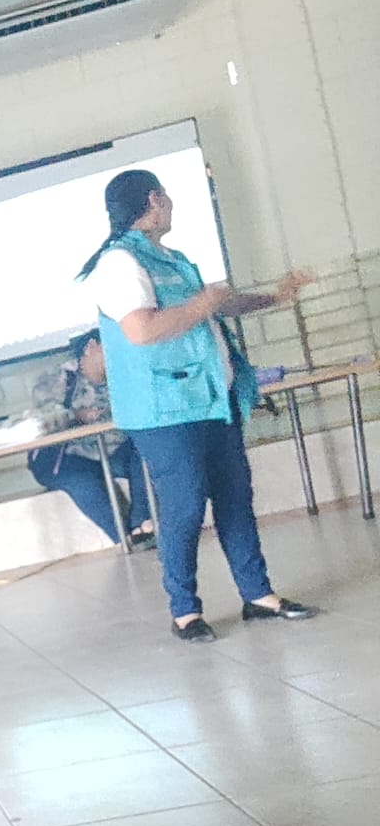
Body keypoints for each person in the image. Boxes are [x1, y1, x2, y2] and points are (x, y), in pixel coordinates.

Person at [78, 169, 319, 642]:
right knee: (185, 507)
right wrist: (205, 302)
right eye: (166, 196)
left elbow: (218, 306)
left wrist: (275, 297)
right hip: (165, 411)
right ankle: (185, 611)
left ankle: (258, 594)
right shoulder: (120, 263)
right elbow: (143, 330)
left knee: (235, 497)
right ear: (154, 199)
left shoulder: (170, 258)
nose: (171, 204)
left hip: (209, 399)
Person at [26, 328, 155, 548]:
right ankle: (123, 538)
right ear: (91, 347)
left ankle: (141, 522)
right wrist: (76, 416)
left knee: (147, 450)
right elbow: (42, 420)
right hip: (67, 456)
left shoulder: (125, 373)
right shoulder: (60, 379)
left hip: (113, 449)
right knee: (81, 482)